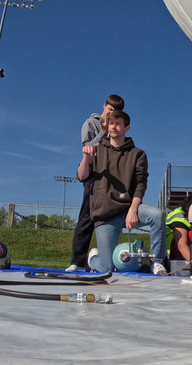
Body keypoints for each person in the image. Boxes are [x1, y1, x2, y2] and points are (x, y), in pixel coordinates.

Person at [77, 110, 166, 274]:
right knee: (108, 269)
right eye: (111, 123)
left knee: (157, 215)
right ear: (107, 126)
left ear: (127, 128)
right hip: (105, 214)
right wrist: (86, 159)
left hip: (128, 209)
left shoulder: (138, 154)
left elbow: (141, 184)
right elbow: (81, 176)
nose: (114, 127)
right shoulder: (96, 150)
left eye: (118, 123)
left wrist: (133, 210)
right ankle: (93, 259)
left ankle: (157, 262)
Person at [66, 94, 125, 273]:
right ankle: (77, 260)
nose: (111, 115)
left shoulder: (115, 127)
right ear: (105, 106)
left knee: (109, 217)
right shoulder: (91, 124)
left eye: (115, 113)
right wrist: (103, 131)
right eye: (109, 110)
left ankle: (106, 259)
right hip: (94, 175)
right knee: (87, 216)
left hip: (111, 176)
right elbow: (87, 148)